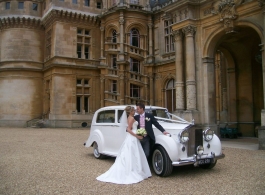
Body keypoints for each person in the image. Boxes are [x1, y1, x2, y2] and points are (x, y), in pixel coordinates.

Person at [96, 106, 151, 184]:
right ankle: (134, 170)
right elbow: (128, 129)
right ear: (130, 112)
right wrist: (137, 135)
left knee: (132, 153)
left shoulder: (130, 117)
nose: (134, 111)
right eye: (133, 110)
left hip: (132, 137)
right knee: (133, 153)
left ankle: (135, 169)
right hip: (132, 137)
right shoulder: (131, 118)